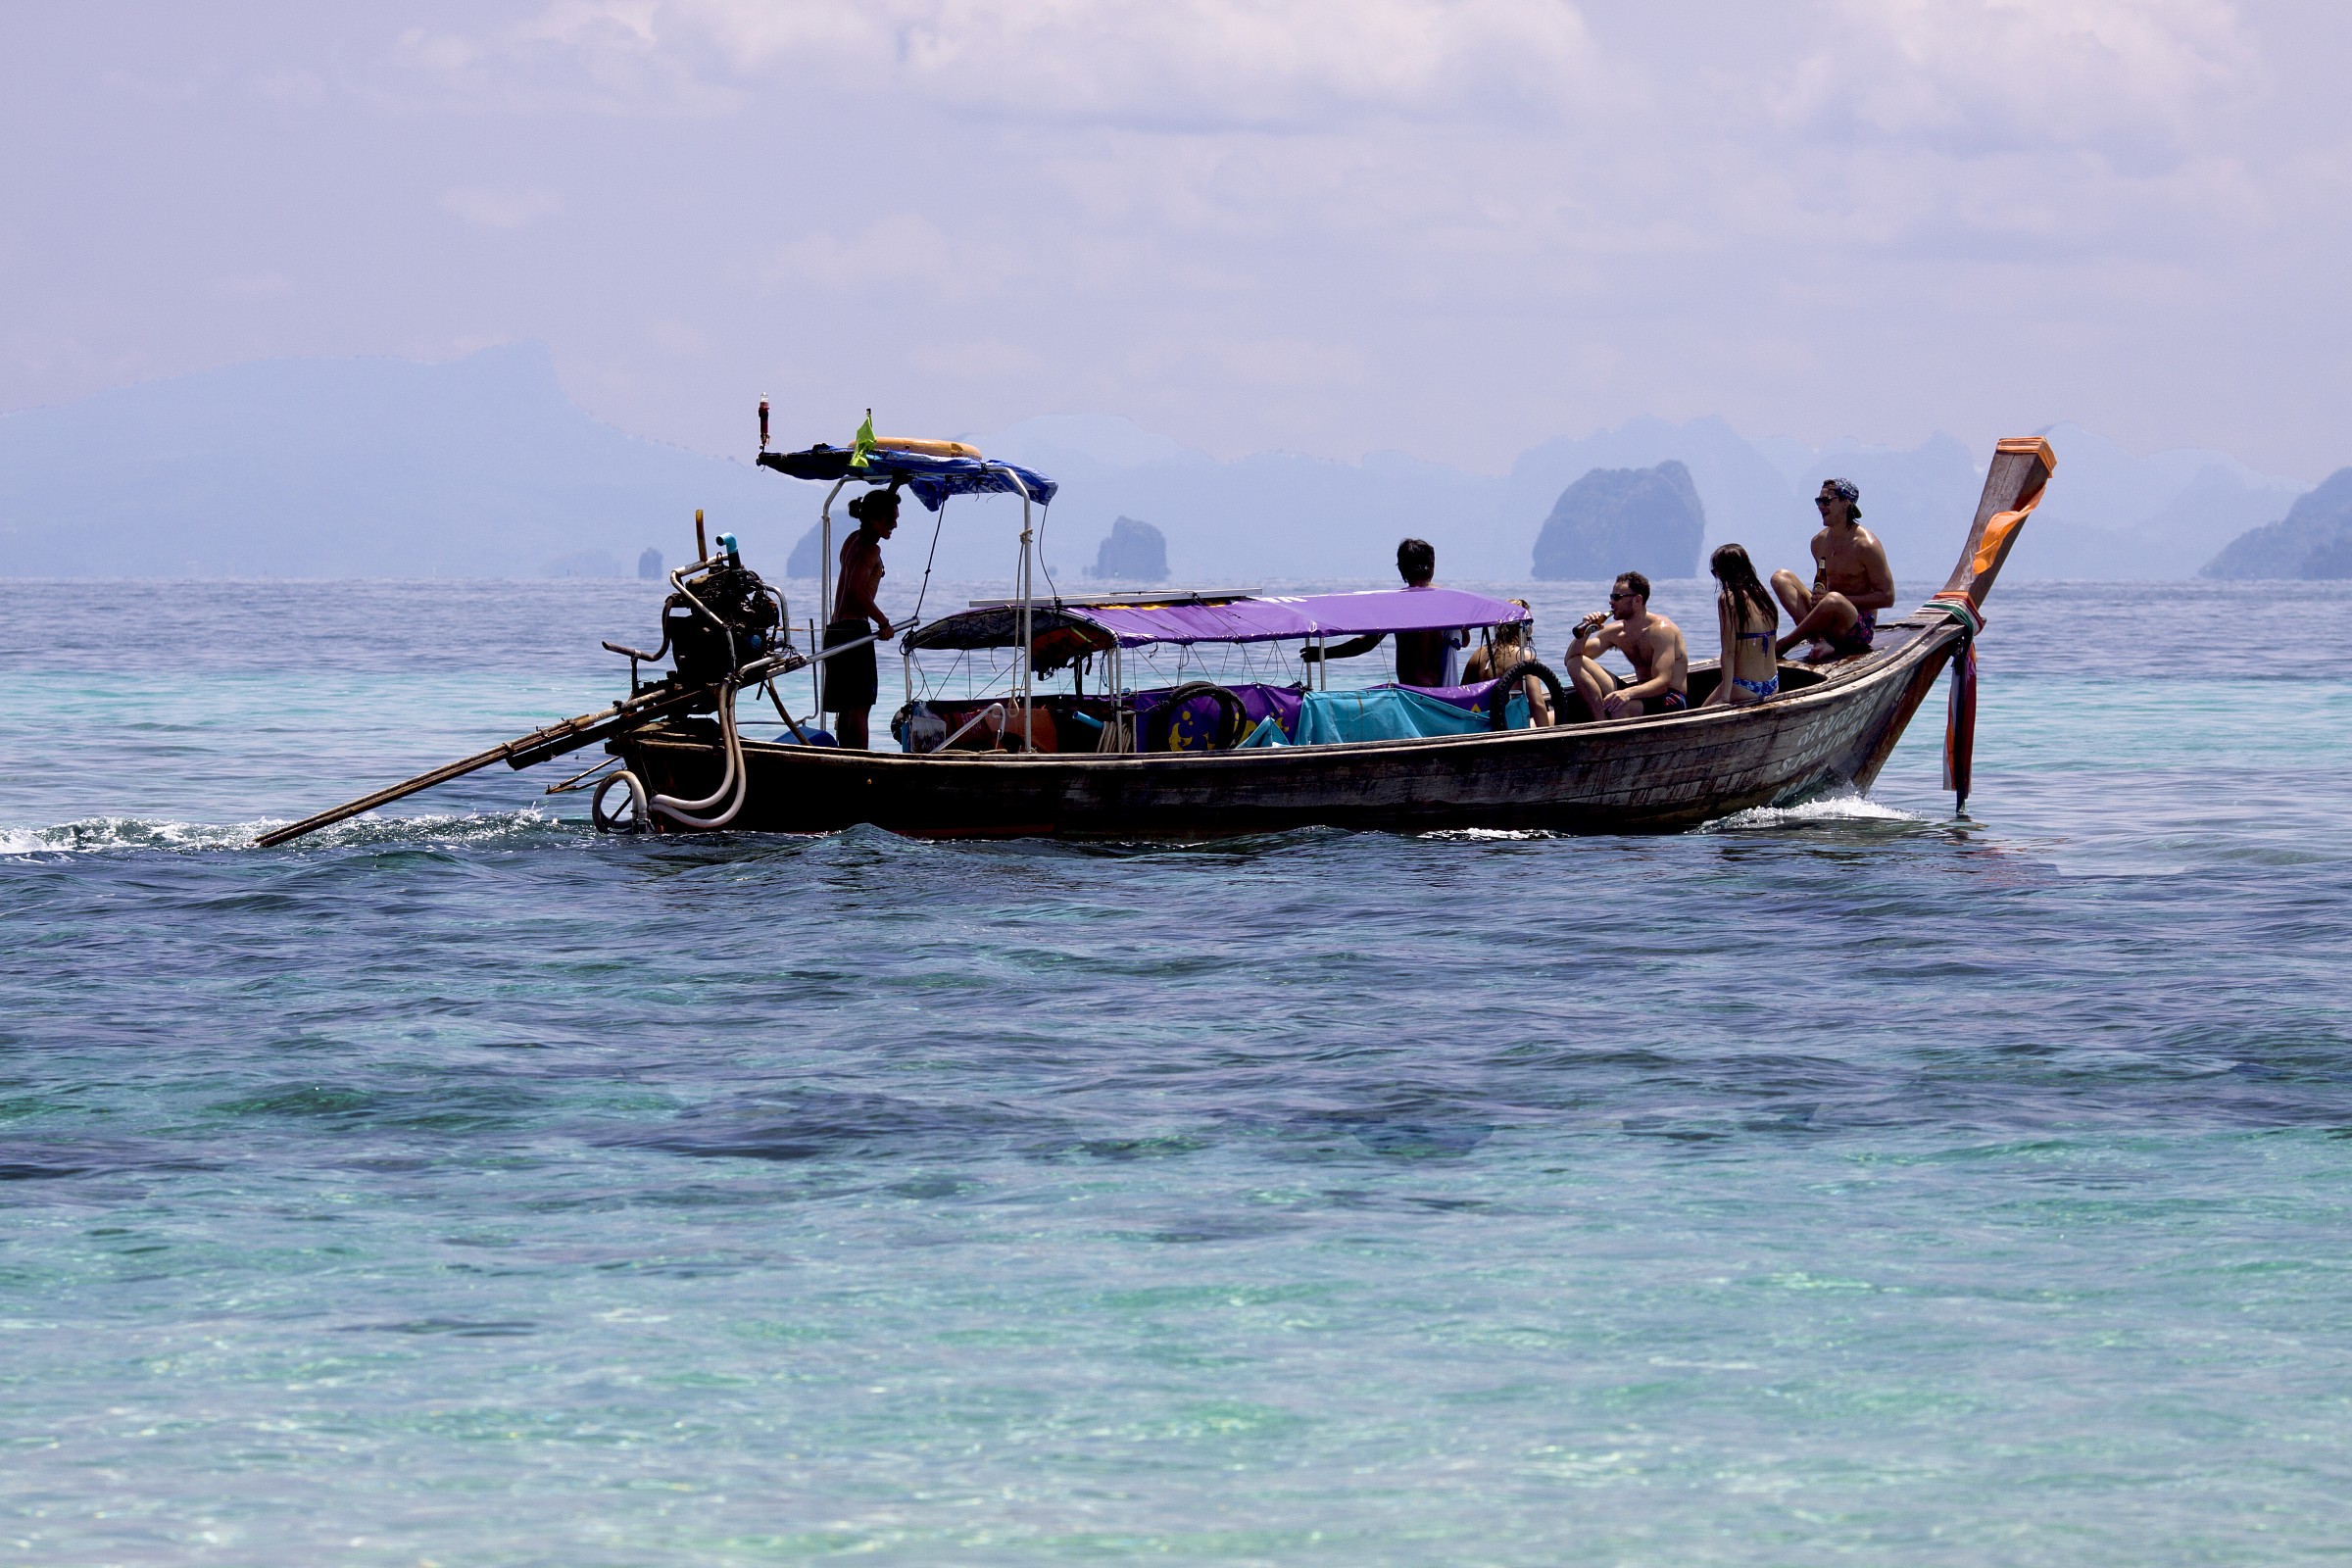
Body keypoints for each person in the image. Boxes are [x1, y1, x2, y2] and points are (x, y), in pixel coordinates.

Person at [1300, 537, 1463, 687]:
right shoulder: (1448, 601)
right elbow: (1463, 640)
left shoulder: (1397, 603)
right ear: (1432, 568)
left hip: (1412, 695)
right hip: (1444, 694)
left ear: (1402, 569)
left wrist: (1323, 654)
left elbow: (1365, 644)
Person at [1773, 477, 1893, 659]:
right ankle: (1820, 641)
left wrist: (1838, 599)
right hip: (1827, 619)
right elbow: (1823, 582)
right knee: (1780, 577)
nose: (1821, 506)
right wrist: (1818, 596)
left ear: (1846, 503)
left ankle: (1785, 644)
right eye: (1819, 501)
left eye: (1827, 501)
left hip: (1856, 628)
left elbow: (1888, 597)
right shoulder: (1818, 542)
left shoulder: (1867, 546)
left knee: (1834, 600)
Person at [824, 487, 900, 750]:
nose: (895, 524)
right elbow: (857, 589)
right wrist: (883, 622)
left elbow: (876, 505)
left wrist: (896, 485)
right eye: (890, 519)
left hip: (835, 631)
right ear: (873, 519)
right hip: (855, 631)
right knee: (860, 705)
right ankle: (862, 761)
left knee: (846, 706)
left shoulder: (852, 539)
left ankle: (845, 757)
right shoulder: (870, 550)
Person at [1566, 570, 1688, 719]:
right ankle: (1601, 724)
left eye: (1617, 597)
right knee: (1575, 662)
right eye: (1611, 596)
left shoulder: (1661, 631)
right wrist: (1586, 632)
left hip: (1669, 697)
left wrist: (1627, 693)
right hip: (1638, 693)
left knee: (1621, 710)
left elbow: (1662, 683)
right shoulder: (1616, 632)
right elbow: (1570, 659)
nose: (1611, 602)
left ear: (1637, 600)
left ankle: (1609, 728)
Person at [1701, 543, 1780, 707]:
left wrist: (1725, 697)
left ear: (1724, 571)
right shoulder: (1763, 597)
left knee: (1700, 713)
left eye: (1715, 571)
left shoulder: (1728, 599)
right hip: (1772, 685)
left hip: (1746, 687)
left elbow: (1728, 652)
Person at [1462, 600, 1553, 725]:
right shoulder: (1523, 656)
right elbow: (1537, 704)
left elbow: (1464, 694)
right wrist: (1546, 739)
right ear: (1523, 627)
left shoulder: (1478, 654)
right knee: (1553, 715)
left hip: (1482, 726)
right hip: (1510, 727)